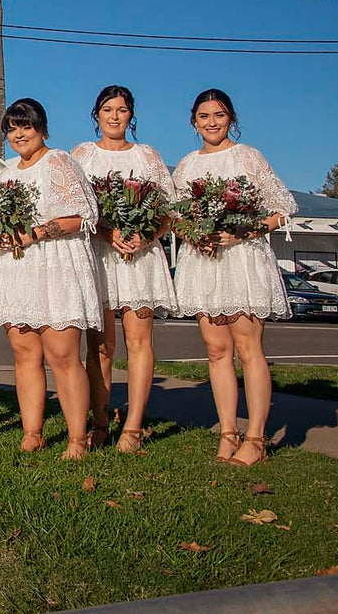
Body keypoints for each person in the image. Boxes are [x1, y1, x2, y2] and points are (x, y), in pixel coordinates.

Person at [173, 89, 296, 466]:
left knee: (248, 348)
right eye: (204, 116)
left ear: (231, 120)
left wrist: (245, 230)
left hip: (243, 260)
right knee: (216, 350)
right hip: (205, 263)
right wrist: (195, 233)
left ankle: (256, 438)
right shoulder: (186, 165)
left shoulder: (248, 157)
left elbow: (283, 208)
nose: (212, 122)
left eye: (220, 115)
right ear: (194, 122)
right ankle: (228, 432)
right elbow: (176, 218)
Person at [0, 98, 104, 460]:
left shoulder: (60, 162)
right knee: (24, 354)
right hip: (17, 268)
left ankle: (77, 439)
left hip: (56, 265)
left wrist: (35, 233)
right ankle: (32, 432)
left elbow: (83, 217)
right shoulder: (6, 172)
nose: (19, 134)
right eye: (12, 129)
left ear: (42, 128)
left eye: (26, 126)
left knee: (63, 355)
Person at [71, 85, 179, 453]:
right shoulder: (82, 155)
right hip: (99, 257)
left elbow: (168, 209)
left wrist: (146, 237)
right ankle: (100, 421)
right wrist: (107, 231)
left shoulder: (147, 155)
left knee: (138, 342)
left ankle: (132, 427)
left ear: (131, 115)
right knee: (100, 345)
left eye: (122, 109)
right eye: (107, 109)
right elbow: (74, 210)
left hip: (139, 259)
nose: (115, 116)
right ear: (96, 115)